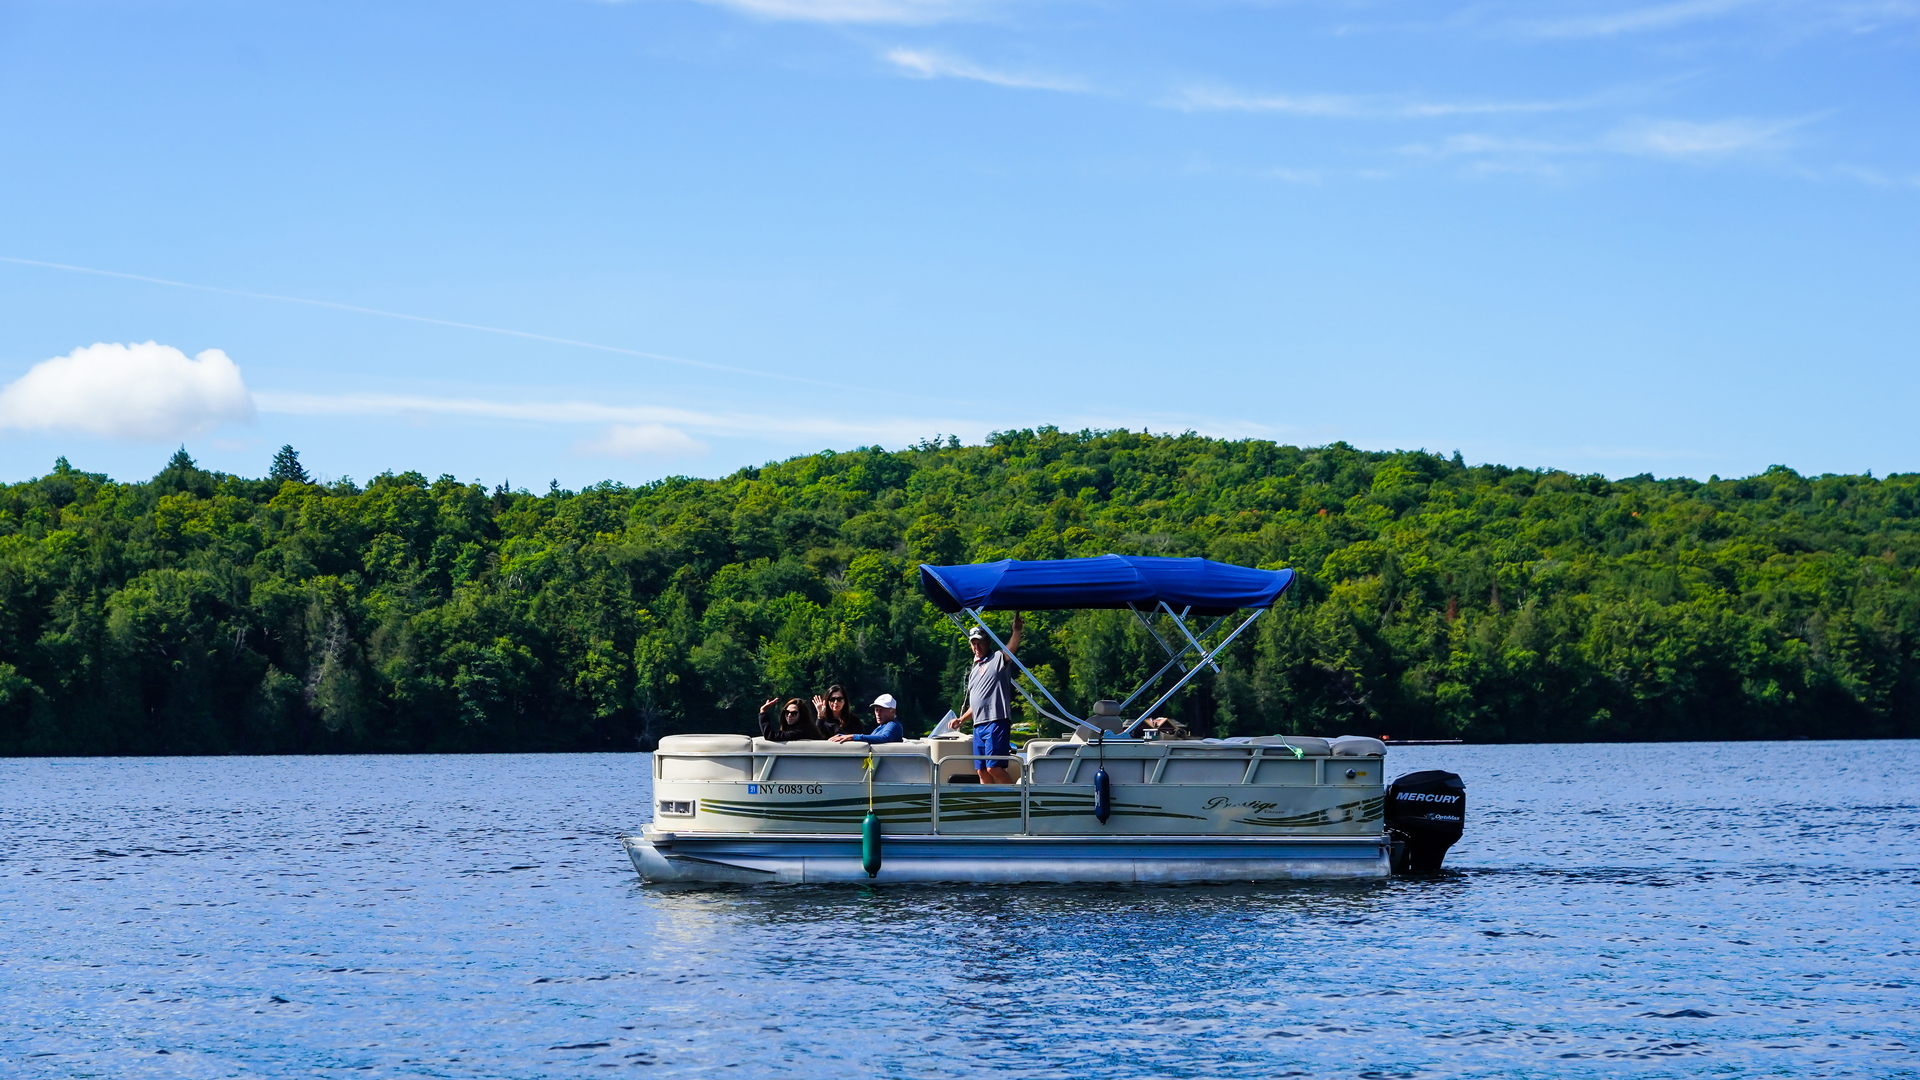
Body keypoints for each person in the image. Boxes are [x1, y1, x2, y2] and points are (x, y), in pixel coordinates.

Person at [955, 614, 1022, 783]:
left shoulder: (998, 659)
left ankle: (1016, 800)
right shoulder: (975, 669)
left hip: (996, 721)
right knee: (982, 771)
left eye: (979, 642)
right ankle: (990, 804)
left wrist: (1017, 631)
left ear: (987, 642)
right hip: (978, 725)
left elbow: (1011, 648)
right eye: (973, 643)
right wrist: (961, 720)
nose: (976, 646)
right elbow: (976, 703)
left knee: (994, 767)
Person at [830, 694, 905, 745]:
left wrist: (853, 737)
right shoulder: (882, 727)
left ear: (892, 712)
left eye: (882, 710)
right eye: (876, 710)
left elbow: (884, 738)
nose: (878, 714)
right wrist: (844, 736)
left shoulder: (893, 725)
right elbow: (872, 738)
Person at [758, 696, 823, 742]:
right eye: (787, 712)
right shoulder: (808, 730)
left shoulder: (800, 732)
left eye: (794, 713)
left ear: (802, 716)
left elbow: (771, 736)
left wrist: (763, 712)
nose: (789, 715)